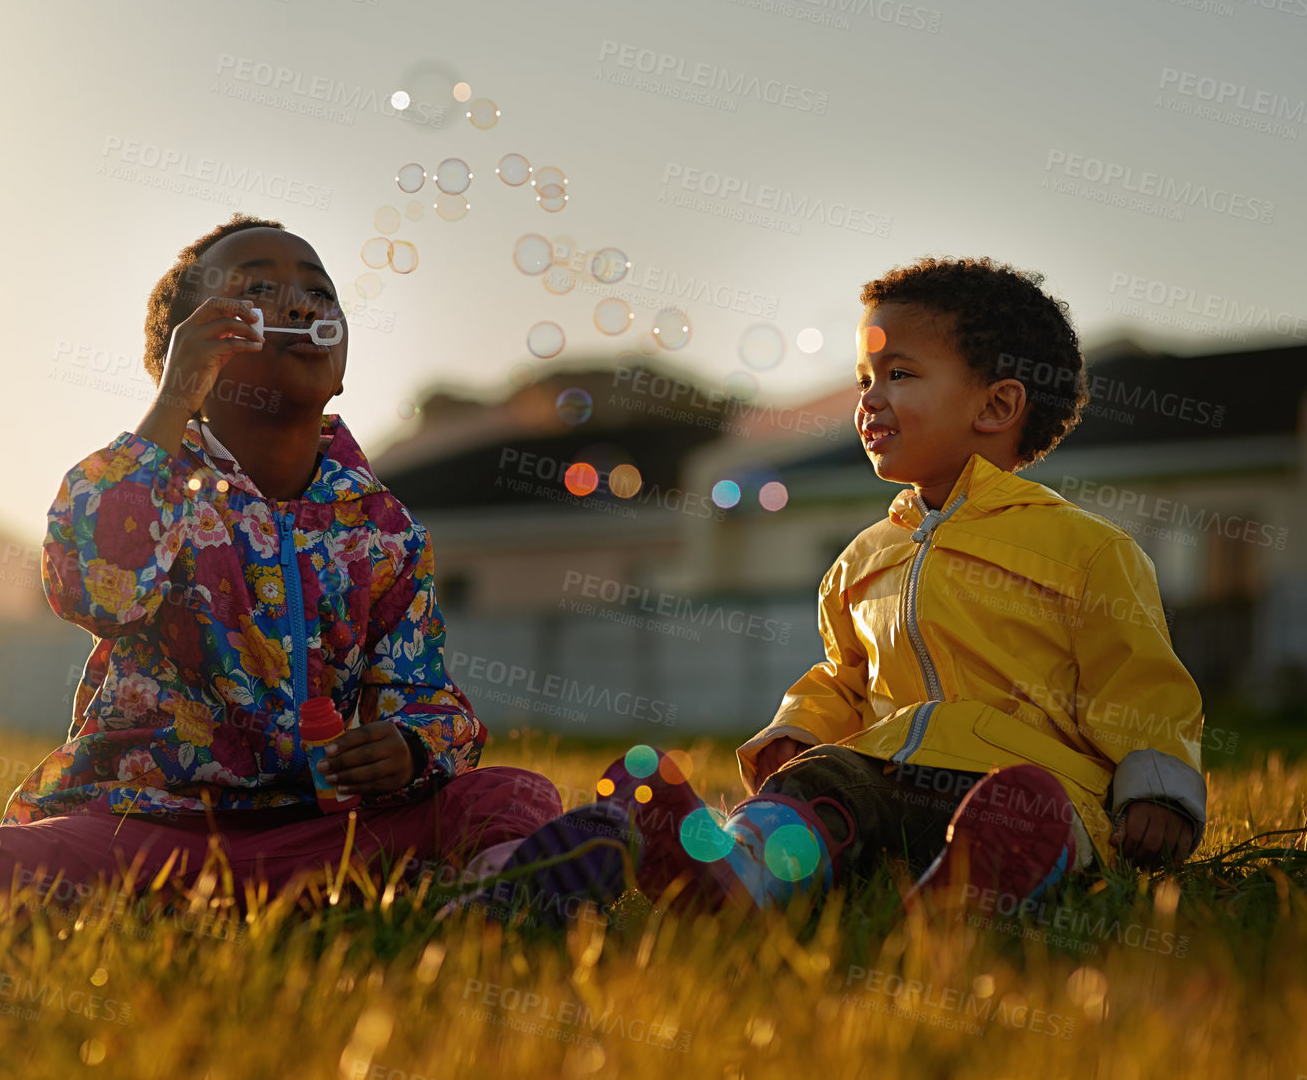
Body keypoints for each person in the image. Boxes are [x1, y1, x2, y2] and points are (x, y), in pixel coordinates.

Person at [0, 214, 562, 944]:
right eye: (255, 292)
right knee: (11, 860)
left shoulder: (382, 529)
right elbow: (92, 587)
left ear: (342, 363)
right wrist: (175, 400)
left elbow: (425, 695)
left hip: (317, 836)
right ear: (194, 348)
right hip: (144, 832)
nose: (298, 303)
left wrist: (410, 746)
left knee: (509, 792)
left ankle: (498, 896)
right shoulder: (153, 484)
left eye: (317, 292)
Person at [508, 257, 1207, 918]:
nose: (868, 399)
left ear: (996, 404)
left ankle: (979, 883)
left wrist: (1159, 792)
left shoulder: (1086, 549)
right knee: (819, 784)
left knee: (1023, 805)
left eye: (897, 373)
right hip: (888, 773)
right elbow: (843, 678)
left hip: (1028, 784)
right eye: (863, 377)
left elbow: (1138, 686)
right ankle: (737, 873)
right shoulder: (861, 559)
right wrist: (799, 732)